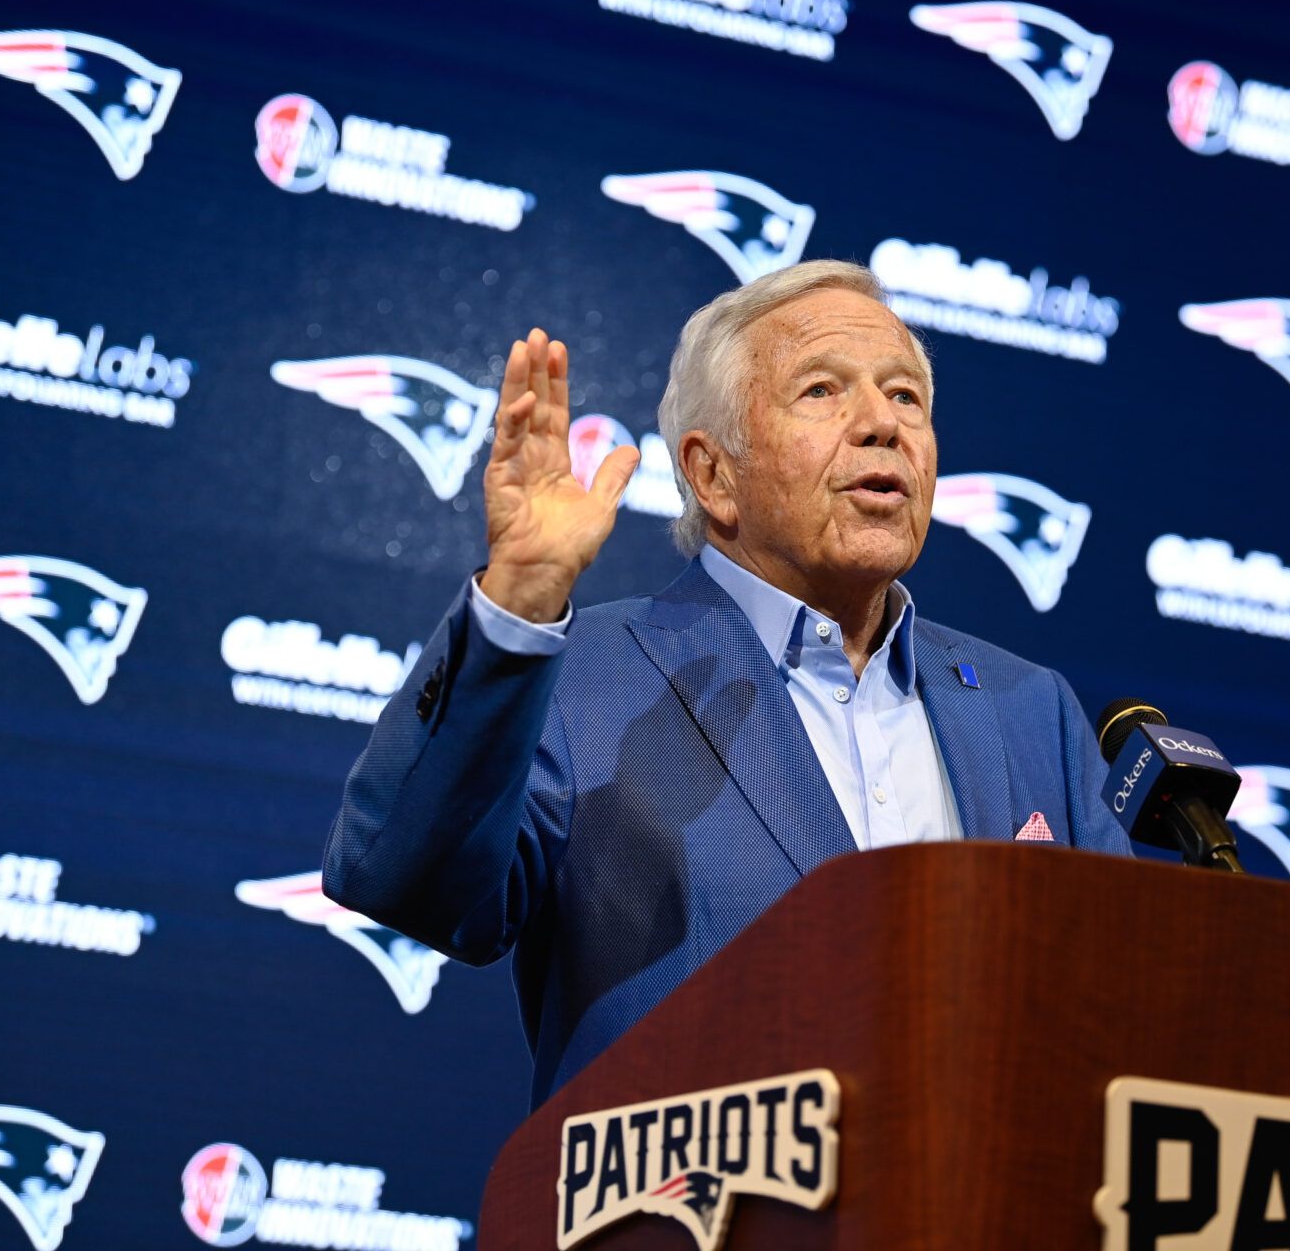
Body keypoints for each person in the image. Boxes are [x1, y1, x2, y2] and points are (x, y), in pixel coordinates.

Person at [323, 260, 1131, 1103]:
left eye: (906, 398)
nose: (882, 425)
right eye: (822, 390)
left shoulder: (1030, 711)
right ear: (714, 476)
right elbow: (402, 880)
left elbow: (1122, 1017)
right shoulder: (583, 677)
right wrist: (516, 608)